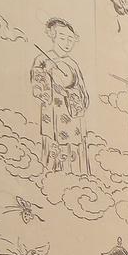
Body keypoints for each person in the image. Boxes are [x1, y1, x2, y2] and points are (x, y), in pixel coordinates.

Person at [30, 18, 90, 175]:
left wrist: (68, 88)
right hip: (52, 116)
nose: (67, 43)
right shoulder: (42, 59)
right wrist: (47, 72)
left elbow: (82, 92)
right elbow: (38, 90)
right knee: (53, 147)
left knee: (72, 152)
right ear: (53, 36)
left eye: (71, 39)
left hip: (71, 117)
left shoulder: (72, 64)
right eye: (62, 38)